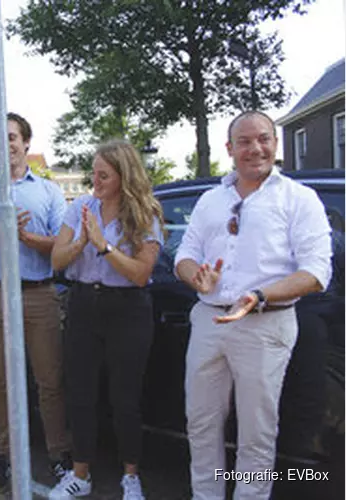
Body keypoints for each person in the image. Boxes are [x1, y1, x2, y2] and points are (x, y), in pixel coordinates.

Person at [174, 110, 332, 499]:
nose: (255, 148)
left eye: (263, 138)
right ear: (229, 149)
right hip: (209, 321)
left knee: (256, 434)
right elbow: (184, 254)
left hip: (265, 324)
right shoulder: (211, 199)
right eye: (244, 141)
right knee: (201, 425)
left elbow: (316, 271)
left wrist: (259, 296)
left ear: (276, 144)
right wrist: (196, 275)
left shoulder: (299, 199)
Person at [0, 112, 72, 490]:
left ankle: (59, 456)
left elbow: (62, 244)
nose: (6, 145)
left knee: (50, 379)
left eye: (12, 137)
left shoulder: (50, 191)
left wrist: (24, 238)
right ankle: (2, 457)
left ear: (26, 143)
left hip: (39, 293)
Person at [48, 139, 164, 500]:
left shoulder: (145, 212)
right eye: (93, 174)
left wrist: (103, 246)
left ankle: (131, 476)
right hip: (84, 305)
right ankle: (80, 474)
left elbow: (141, 274)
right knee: (81, 394)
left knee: (125, 397)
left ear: (123, 176)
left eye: (103, 175)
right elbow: (56, 260)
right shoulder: (81, 207)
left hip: (127, 310)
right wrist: (82, 241)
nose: (95, 182)